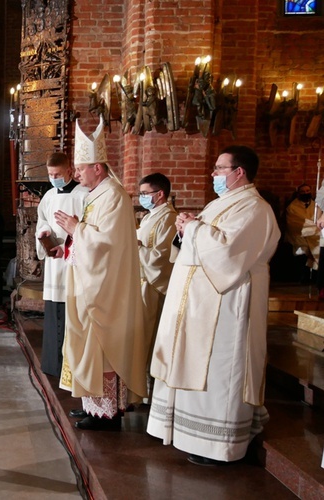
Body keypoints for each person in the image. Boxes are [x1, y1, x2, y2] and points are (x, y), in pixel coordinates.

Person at [147, 145, 280, 465]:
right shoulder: (223, 204)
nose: (213, 174)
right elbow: (197, 247)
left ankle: (220, 445)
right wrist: (185, 232)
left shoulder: (254, 209)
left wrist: (192, 227)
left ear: (239, 173)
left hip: (228, 307)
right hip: (200, 307)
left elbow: (229, 254)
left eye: (220, 169)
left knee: (219, 370)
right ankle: (194, 436)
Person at [56, 117, 149, 430]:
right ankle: (92, 405)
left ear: (98, 167)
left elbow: (108, 243)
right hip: (89, 282)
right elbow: (90, 237)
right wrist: (72, 236)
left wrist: (76, 229)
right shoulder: (96, 195)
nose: (77, 173)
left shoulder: (114, 196)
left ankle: (107, 414)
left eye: (81, 168)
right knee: (87, 346)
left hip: (105, 289)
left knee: (102, 348)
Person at [35, 152, 89, 377]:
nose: (53, 178)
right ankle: (52, 365)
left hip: (74, 264)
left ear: (70, 171)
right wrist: (43, 232)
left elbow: (89, 229)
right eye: (50, 174)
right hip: (54, 264)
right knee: (54, 311)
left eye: (57, 174)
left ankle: (70, 368)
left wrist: (66, 246)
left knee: (71, 313)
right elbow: (42, 220)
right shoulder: (48, 196)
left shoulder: (85, 195)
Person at [135, 172, 177, 394]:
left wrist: (138, 247)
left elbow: (162, 257)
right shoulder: (150, 216)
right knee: (139, 337)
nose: (141, 197)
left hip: (153, 286)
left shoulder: (169, 218)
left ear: (160, 194)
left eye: (144, 193)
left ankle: (147, 391)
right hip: (141, 284)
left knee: (149, 337)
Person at [285, 183, 318, 283]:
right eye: (303, 192)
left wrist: (313, 227)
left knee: (319, 246)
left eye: (307, 191)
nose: (305, 193)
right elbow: (295, 224)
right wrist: (312, 226)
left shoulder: (316, 206)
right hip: (298, 235)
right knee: (303, 248)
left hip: (315, 235)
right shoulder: (292, 207)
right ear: (298, 193)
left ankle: (316, 276)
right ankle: (303, 276)